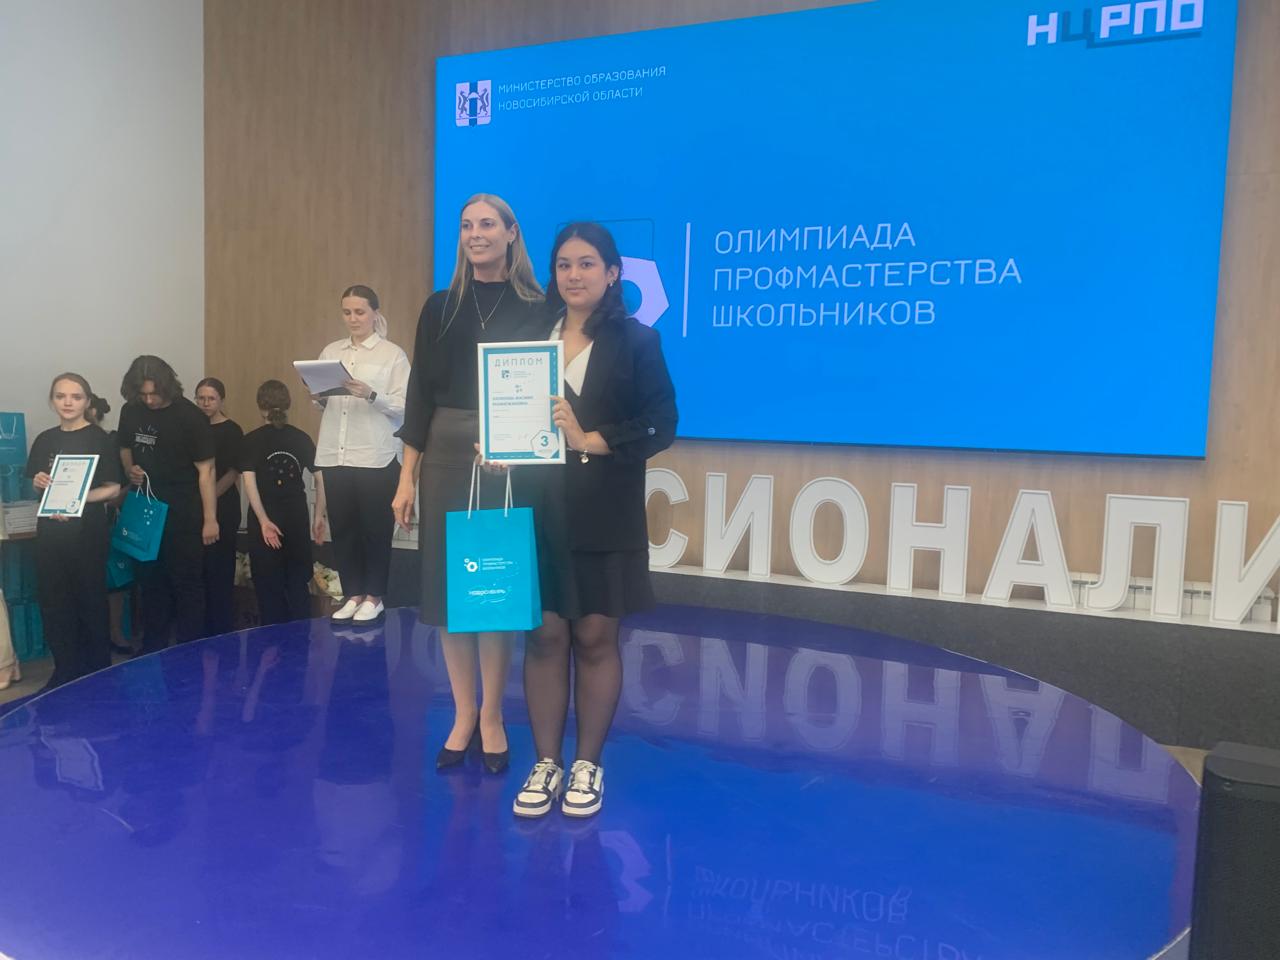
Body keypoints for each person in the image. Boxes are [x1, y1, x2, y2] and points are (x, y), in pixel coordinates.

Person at [513, 222, 677, 818]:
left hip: (606, 509)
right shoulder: (527, 339)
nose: (573, 275)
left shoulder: (637, 341)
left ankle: (587, 764)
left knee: (594, 637)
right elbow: (505, 413)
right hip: (537, 508)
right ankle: (546, 763)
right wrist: (497, 444)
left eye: (586, 264)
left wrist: (591, 440)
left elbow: (661, 422)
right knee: (544, 636)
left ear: (612, 274)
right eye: (564, 264)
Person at [393, 193, 547, 774]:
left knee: (495, 587)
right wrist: (406, 477)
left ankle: (493, 717)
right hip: (445, 455)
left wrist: (518, 445)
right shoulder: (440, 307)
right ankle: (462, 713)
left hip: (510, 460)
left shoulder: (539, 306)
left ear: (511, 232)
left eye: (486, 224)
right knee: (451, 592)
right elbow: (419, 396)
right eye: (466, 226)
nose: (475, 234)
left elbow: (546, 388)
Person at [312, 285, 409, 625]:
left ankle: (374, 596)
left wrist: (371, 394)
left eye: (360, 312)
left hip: (374, 454)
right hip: (335, 452)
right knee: (343, 528)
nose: (353, 319)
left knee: (375, 529)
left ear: (374, 314)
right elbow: (322, 402)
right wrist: (319, 396)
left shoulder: (392, 354)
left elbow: (404, 406)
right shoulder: (331, 351)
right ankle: (353, 593)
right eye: (347, 312)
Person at [25, 373, 123, 689]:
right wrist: (39, 482)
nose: (67, 402)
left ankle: (96, 671)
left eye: (76, 396)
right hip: (50, 534)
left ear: (87, 401)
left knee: (89, 601)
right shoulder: (45, 440)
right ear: (52, 400)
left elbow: (113, 489)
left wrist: (77, 500)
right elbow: (38, 485)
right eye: (61, 396)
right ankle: (64, 670)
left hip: (87, 534)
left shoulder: (99, 439)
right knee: (54, 603)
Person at [118, 355, 219, 653]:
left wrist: (210, 519)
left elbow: (207, 471)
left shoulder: (190, 416)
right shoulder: (130, 410)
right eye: (143, 394)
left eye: (154, 394)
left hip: (183, 511)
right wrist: (130, 470)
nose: (149, 400)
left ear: (168, 387)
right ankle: (153, 648)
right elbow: (124, 446)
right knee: (150, 583)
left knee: (187, 584)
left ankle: (189, 650)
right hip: (144, 509)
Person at [241, 380, 325, 626]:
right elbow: (322, 480)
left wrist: (264, 521)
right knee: (298, 584)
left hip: (264, 519)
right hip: (296, 517)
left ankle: (271, 641)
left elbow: (249, 485)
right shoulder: (301, 438)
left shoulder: (251, 440)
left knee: (268, 587)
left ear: (260, 407)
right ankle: (300, 640)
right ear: (288, 404)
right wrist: (319, 516)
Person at [195, 378, 243, 636]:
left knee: (220, 569)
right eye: (201, 398)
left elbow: (233, 471)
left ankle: (221, 628)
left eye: (211, 398)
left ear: (221, 400)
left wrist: (209, 497)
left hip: (223, 506)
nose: (205, 403)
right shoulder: (191, 427)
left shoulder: (232, 430)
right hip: (194, 507)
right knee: (198, 571)